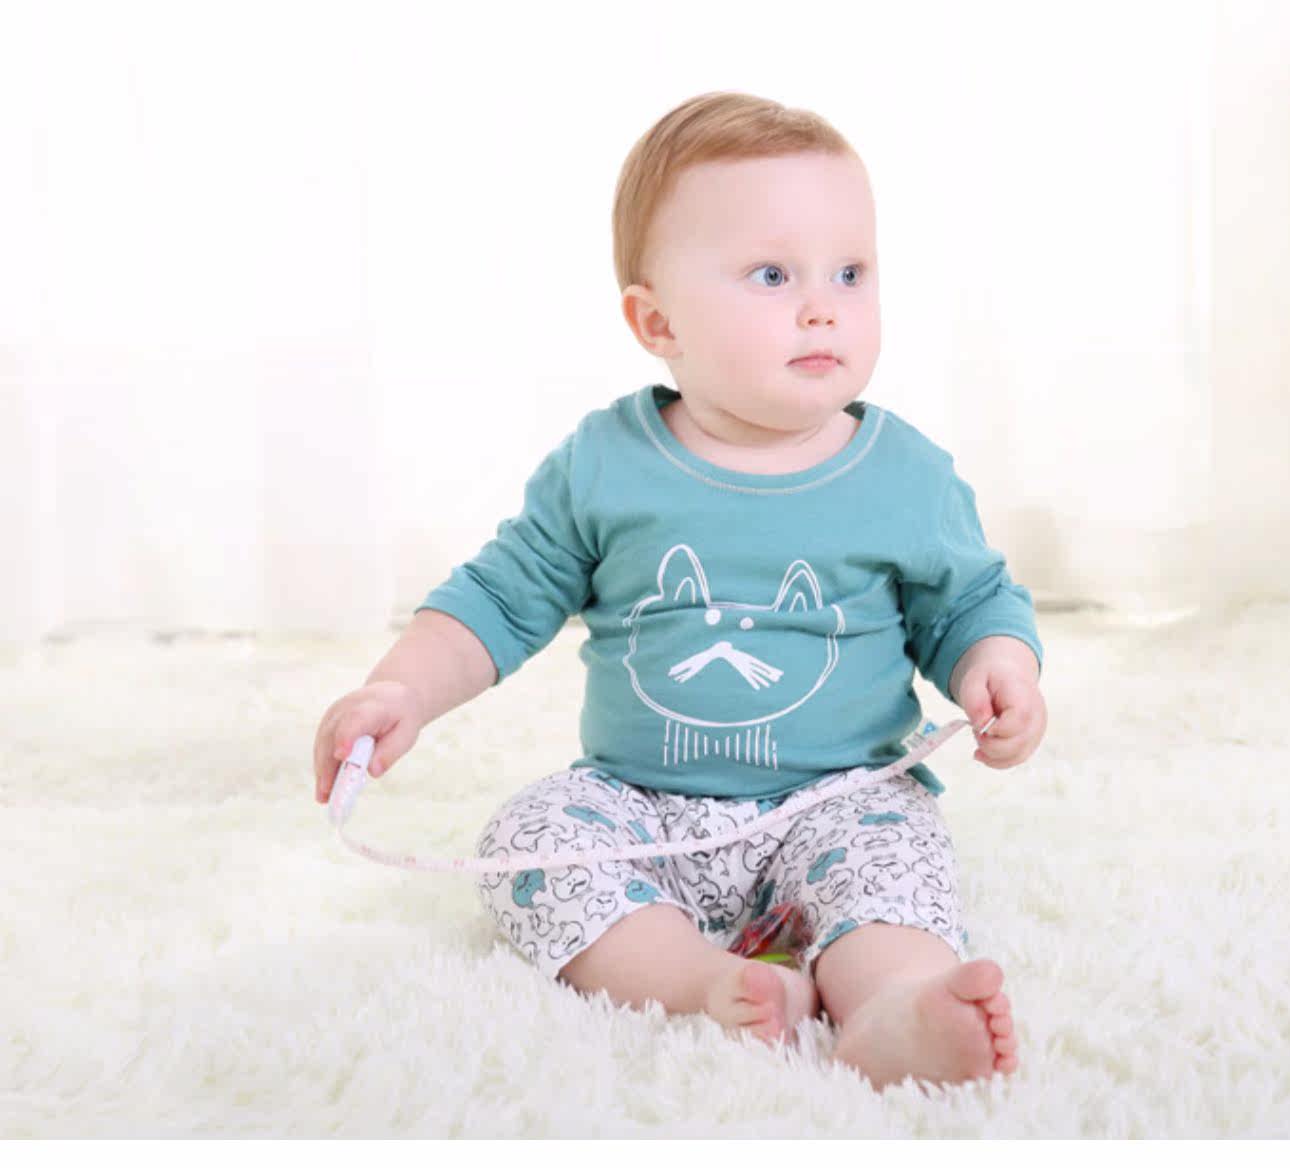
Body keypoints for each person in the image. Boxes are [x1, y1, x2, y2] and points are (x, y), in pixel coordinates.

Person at [311, 91, 1047, 1091]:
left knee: (895, 868)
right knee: (531, 839)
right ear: (656, 321)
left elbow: (968, 602)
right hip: (641, 806)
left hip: (839, 799)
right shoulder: (606, 464)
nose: (822, 305)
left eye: (850, 272)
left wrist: (996, 668)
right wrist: (400, 689)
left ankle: (891, 1006)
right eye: (772, 275)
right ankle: (709, 984)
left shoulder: (903, 475)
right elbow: (499, 597)